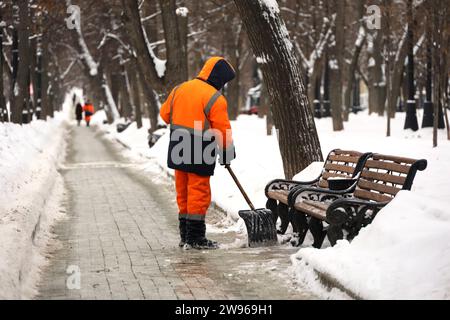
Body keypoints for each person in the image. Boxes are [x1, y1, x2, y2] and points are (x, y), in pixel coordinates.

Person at [160, 57, 236, 250]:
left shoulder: (179, 89)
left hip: (178, 145)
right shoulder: (215, 98)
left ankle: (185, 236)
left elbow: (164, 115)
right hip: (200, 148)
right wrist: (227, 154)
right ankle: (195, 238)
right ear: (219, 78)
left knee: (183, 192)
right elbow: (222, 130)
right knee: (198, 193)